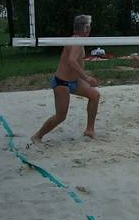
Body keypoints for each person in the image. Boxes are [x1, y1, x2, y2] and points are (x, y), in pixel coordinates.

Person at [31, 15, 101, 143]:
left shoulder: (79, 40)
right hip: (62, 83)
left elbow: (76, 62)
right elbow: (71, 61)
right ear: (85, 28)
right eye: (89, 26)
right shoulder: (76, 41)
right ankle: (37, 136)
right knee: (60, 116)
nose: (90, 28)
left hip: (74, 81)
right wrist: (87, 77)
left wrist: (84, 78)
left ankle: (89, 130)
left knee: (94, 95)